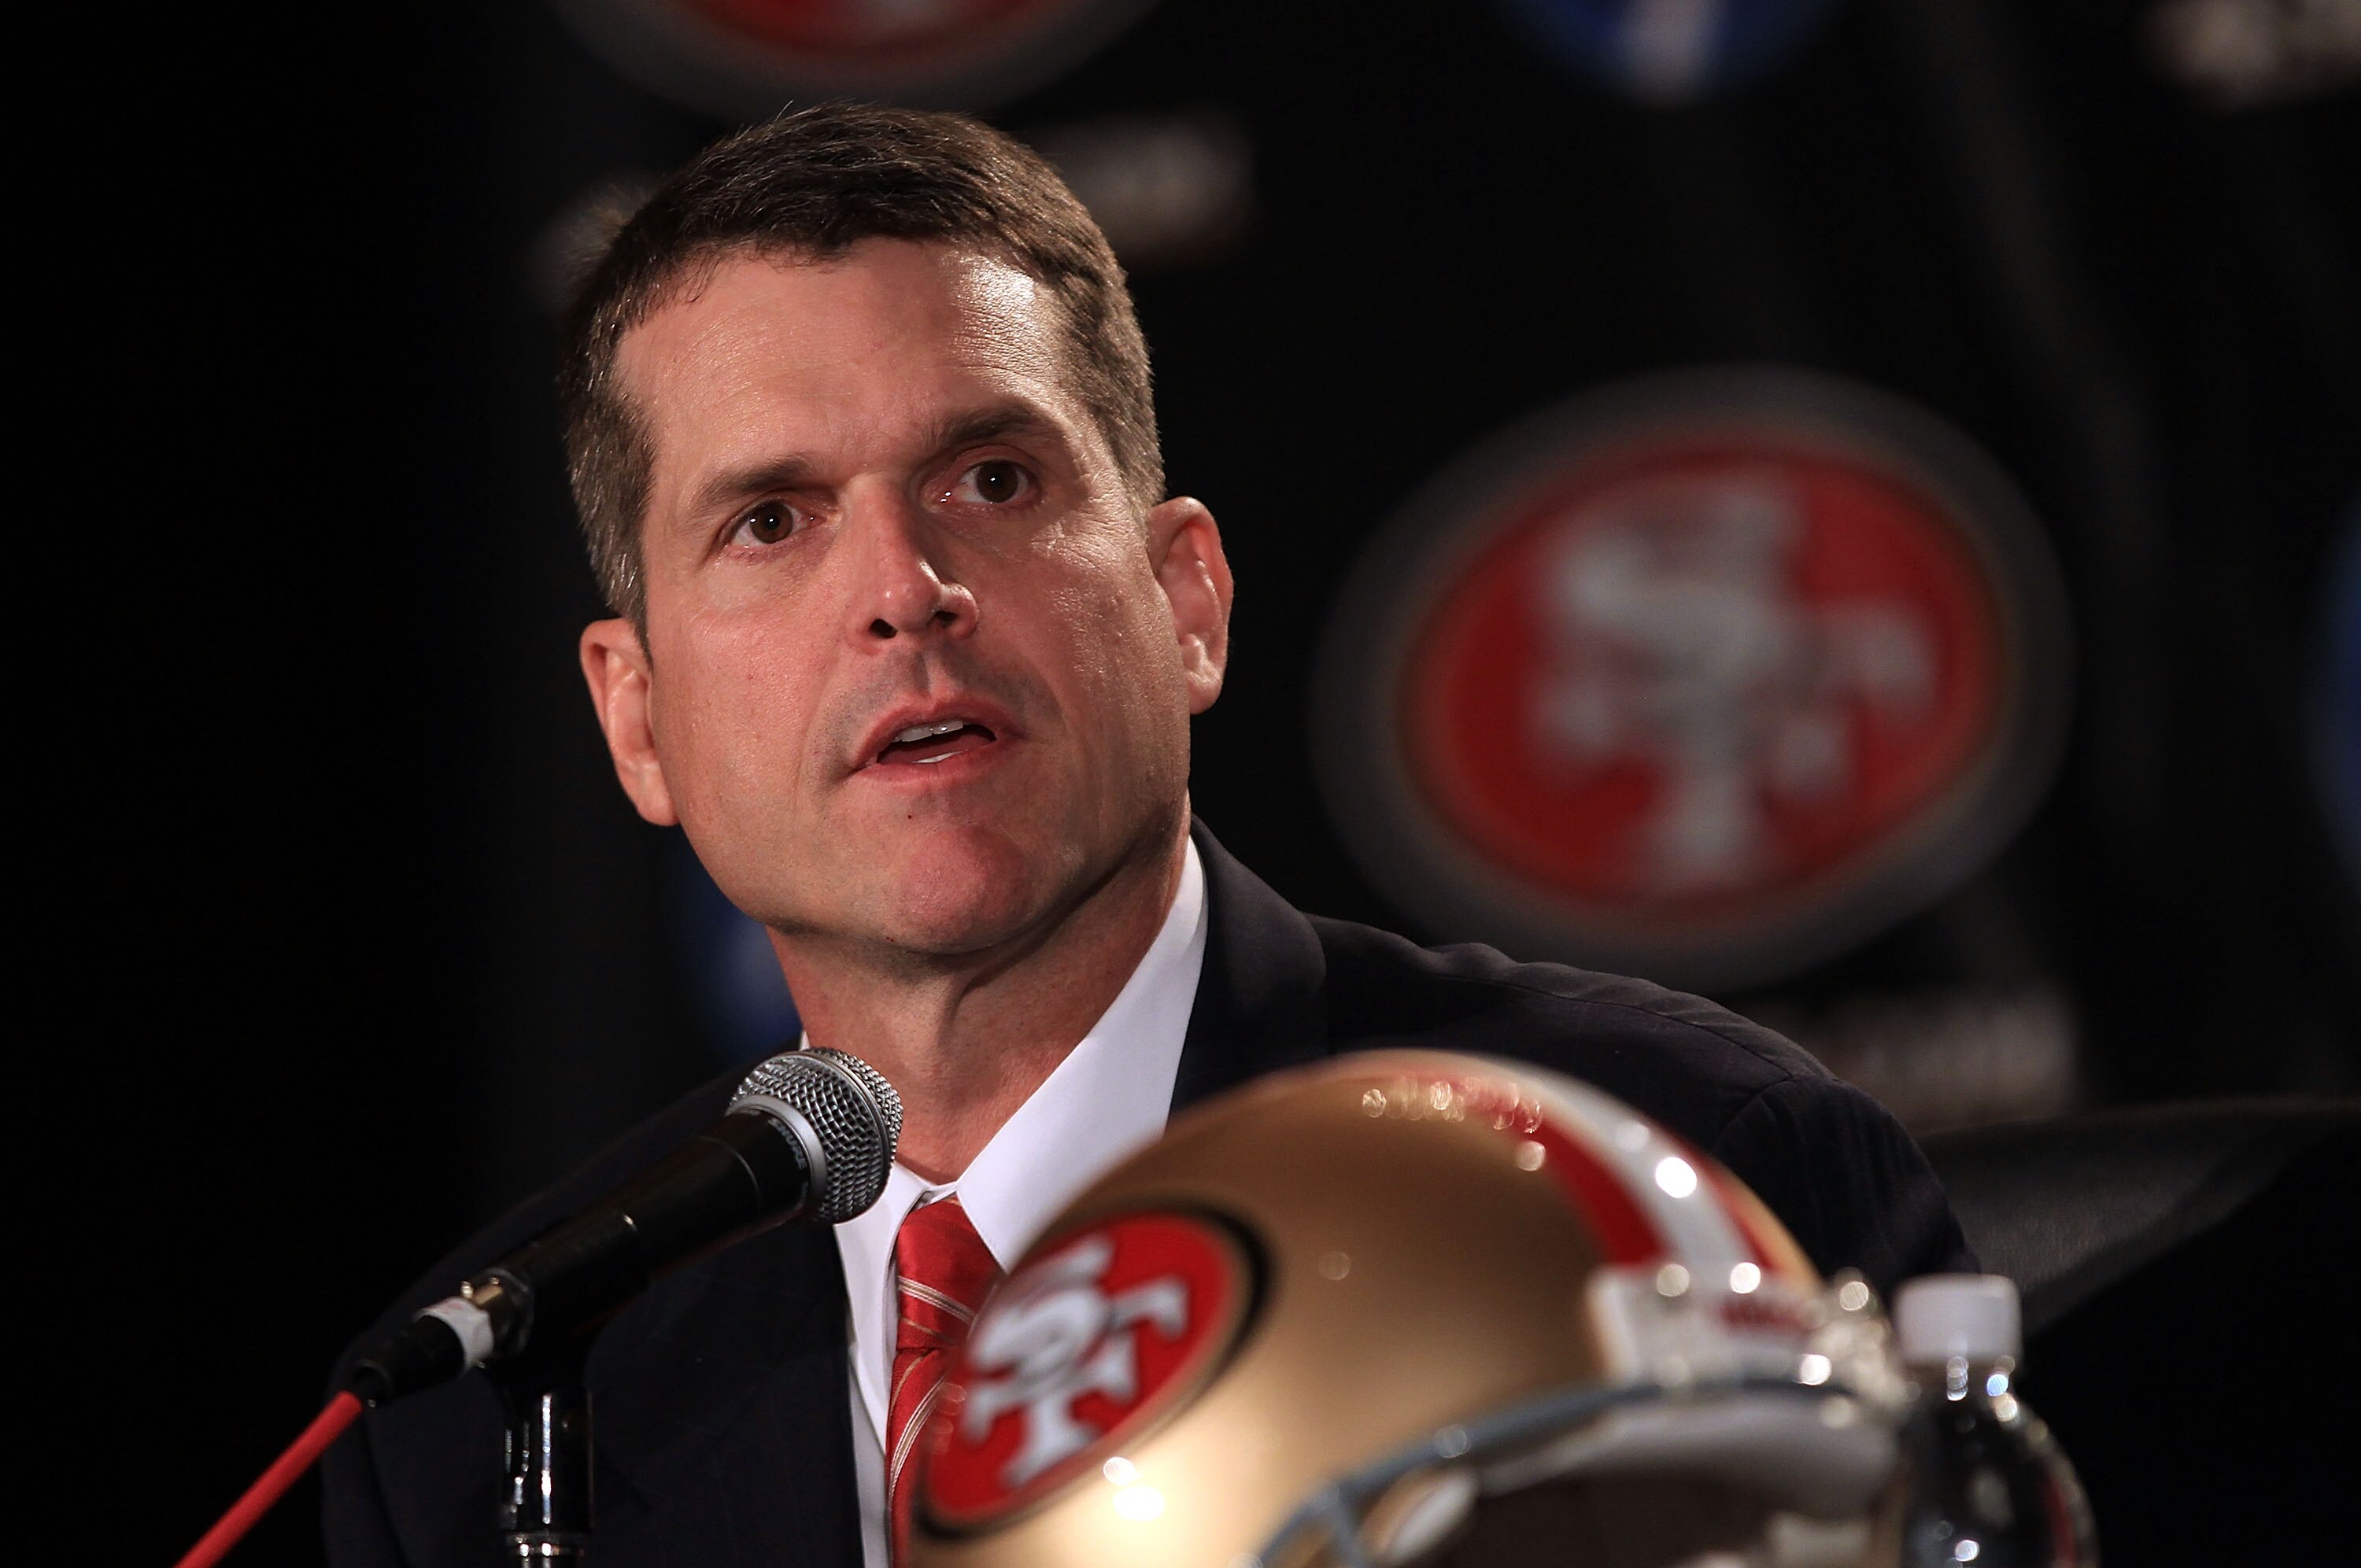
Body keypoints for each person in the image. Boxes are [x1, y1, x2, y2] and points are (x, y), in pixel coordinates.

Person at [323, 101, 1971, 1568]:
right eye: (773, 520)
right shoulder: (489, 1418)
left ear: (1186, 599)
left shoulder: (1680, 1173)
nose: (904, 591)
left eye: (989, 480)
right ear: (637, 719)